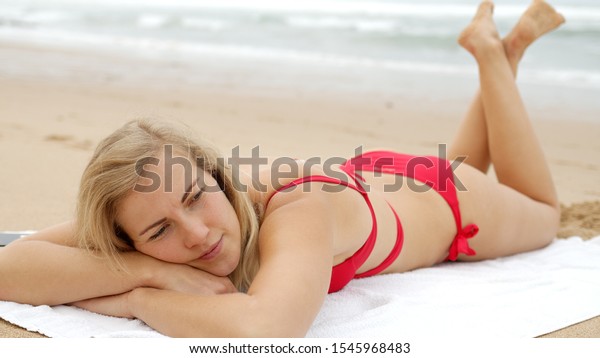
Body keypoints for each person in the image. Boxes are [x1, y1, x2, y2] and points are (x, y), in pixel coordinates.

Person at [0, 1, 565, 337]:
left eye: (198, 197)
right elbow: (11, 265)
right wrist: (144, 270)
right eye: (157, 232)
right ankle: (501, 53)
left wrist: (136, 298)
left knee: (543, 213)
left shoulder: (295, 210)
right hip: (379, 180)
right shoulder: (152, 197)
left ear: (220, 177)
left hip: (451, 201)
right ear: (127, 234)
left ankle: (494, 54)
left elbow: (265, 329)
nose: (195, 234)